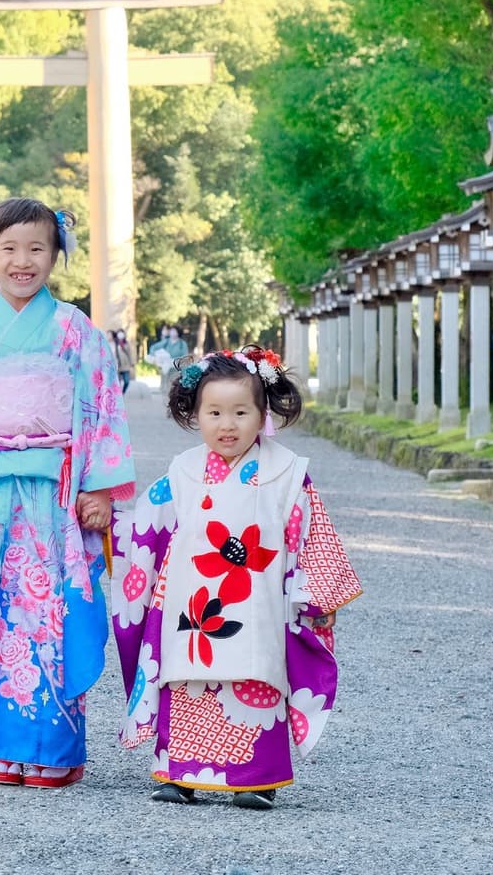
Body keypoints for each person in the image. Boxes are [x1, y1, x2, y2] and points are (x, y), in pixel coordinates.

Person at [0, 197, 135, 789]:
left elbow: (102, 407)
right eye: (9, 248)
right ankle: (3, 742)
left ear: (57, 254)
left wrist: (99, 489)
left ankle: (54, 745)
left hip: (58, 493)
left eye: (37, 248)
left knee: (53, 608)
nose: (23, 261)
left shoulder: (77, 330)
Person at [110, 346, 361, 807]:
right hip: (192, 606)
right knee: (188, 680)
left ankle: (258, 777)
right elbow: (146, 527)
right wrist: (109, 523)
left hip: (258, 602)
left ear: (263, 413)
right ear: (194, 415)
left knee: (256, 676)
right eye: (215, 412)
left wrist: (317, 598)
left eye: (241, 412)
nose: (227, 425)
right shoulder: (181, 471)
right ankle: (180, 772)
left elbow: (309, 535)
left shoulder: (287, 473)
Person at [147, 326, 187, 392]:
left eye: (174, 331)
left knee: (173, 388)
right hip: (165, 368)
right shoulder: (166, 342)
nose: (172, 332)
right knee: (165, 389)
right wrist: (154, 355)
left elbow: (185, 358)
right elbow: (153, 347)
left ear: (178, 332)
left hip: (176, 370)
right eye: (171, 330)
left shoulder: (182, 344)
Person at [112, 329, 136, 394]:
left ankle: (123, 392)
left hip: (126, 365)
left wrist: (132, 363)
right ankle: (118, 394)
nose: (120, 335)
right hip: (118, 365)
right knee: (118, 382)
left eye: (121, 333)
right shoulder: (115, 343)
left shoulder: (126, 343)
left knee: (127, 381)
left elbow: (130, 353)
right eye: (119, 333)